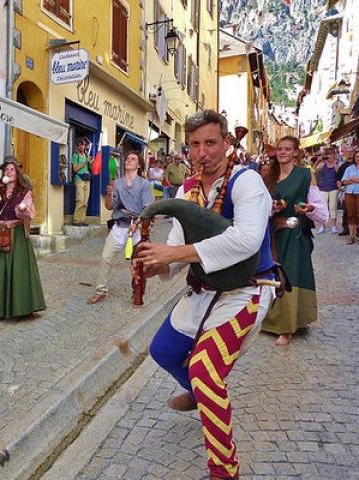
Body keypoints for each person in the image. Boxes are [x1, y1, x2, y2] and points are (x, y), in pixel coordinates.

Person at [132, 110, 276, 480]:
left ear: (227, 144)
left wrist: (174, 255)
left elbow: (246, 240)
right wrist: (158, 265)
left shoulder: (247, 183)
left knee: (205, 370)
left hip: (247, 291)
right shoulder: (187, 190)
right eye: (195, 144)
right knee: (163, 351)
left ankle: (224, 471)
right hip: (204, 290)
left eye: (210, 142)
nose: (202, 152)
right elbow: (178, 250)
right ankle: (199, 394)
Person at [261, 136, 328, 346]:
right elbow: (259, 207)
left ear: (295, 152)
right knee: (272, 275)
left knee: (291, 277)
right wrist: (272, 208)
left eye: (287, 149)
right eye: (280, 149)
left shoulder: (305, 175)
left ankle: (287, 328)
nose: (282, 152)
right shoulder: (268, 176)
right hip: (274, 233)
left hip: (296, 234)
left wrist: (308, 209)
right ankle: (271, 319)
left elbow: (321, 211)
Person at [0, 156, 46, 319]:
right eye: (6, 169)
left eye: (12, 168)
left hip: (17, 234)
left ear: (17, 172)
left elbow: (30, 213)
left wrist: (21, 209)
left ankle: (23, 307)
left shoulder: (25, 191)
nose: (8, 171)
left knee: (20, 271)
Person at [87, 150, 153, 304]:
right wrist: (110, 194)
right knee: (105, 258)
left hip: (137, 228)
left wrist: (137, 224)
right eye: (127, 158)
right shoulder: (118, 183)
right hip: (119, 226)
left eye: (133, 159)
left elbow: (148, 209)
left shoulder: (144, 185)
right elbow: (110, 207)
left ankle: (136, 293)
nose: (129, 160)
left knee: (138, 263)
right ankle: (101, 290)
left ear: (138, 165)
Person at [315, 149, 340, 234]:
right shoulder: (322, 165)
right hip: (323, 188)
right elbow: (315, 171)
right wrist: (318, 161)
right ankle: (323, 226)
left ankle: (333, 226)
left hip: (333, 188)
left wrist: (334, 163)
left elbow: (338, 173)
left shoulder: (336, 165)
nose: (329, 156)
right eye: (328, 155)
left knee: (333, 207)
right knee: (323, 207)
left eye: (331, 154)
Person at [71, 139, 91, 226]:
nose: (81, 147)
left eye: (83, 145)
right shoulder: (75, 156)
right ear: (77, 146)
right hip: (79, 178)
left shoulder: (86, 156)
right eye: (79, 145)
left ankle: (82, 220)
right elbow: (75, 169)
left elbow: (90, 168)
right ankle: (76, 220)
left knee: (85, 201)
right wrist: (85, 162)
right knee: (80, 199)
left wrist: (91, 162)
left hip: (87, 179)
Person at [340, 149, 359, 244]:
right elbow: (343, 182)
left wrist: (353, 179)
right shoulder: (349, 169)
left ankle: (357, 235)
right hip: (349, 193)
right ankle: (351, 236)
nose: (358, 158)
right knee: (351, 215)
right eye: (357, 156)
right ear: (354, 158)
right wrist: (354, 180)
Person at [336, 150, 355, 236]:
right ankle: (346, 229)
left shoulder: (356, 165)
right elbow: (338, 179)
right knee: (346, 211)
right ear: (344, 154)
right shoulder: (342, 166)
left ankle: (356, 230)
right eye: (348, 152)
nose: (349, 154)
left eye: (351, 152)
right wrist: (341, 189)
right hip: (346, 190)